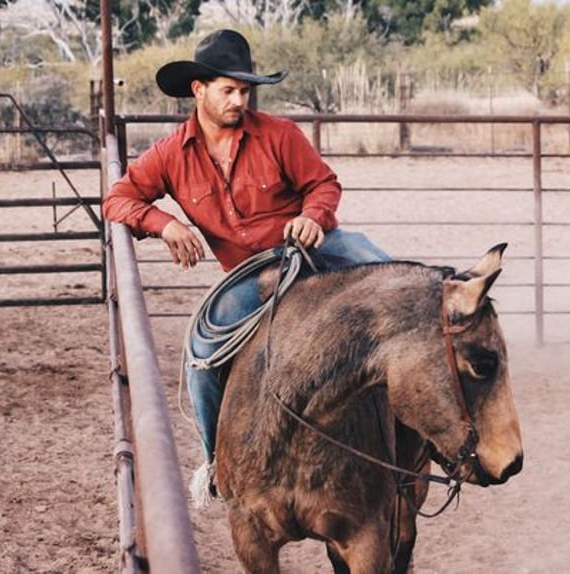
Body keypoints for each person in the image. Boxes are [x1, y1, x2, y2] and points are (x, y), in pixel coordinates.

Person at [102, 29, 390, 496]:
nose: (239, 100)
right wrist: (164, 223)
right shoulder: (171, 154)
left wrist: (313, 215)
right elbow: (117, 198)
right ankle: (221, 463)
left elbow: (323, 184)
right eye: (229, 91)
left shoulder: (279, 134)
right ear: (199, 90)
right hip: (249, 272)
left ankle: (430, 396)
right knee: (201, 354)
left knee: (389, 275)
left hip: (311, 247)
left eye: (245, 90)